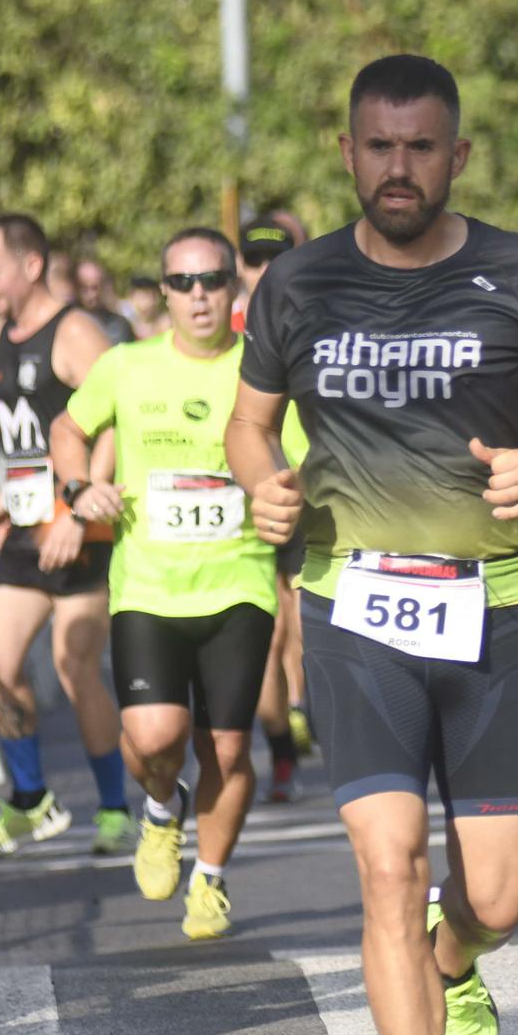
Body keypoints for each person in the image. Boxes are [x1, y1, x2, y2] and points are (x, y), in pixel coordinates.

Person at [226, 55, 518, 1035]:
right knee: (388, 863)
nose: (397, 167)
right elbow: (248, 420)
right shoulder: (297, 282)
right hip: (352, 608)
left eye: (419, 147)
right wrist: (259, 481)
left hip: (497, 607)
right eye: (378, 145)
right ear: (348, 151)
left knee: (494, 897)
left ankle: (455, 963)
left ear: (455, 155)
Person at [50, 228, 276, 940]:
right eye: (183, 283)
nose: (199, 295)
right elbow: (67, 425)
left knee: (231, 750)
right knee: (154, 736)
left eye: (212, 279)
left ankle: (209, 877)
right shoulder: (126, 365)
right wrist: (79, 486)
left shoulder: (263, 368)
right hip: (148, 583)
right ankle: (159, 805)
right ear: (165, 291)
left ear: (233, 287)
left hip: (239, 579)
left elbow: (297, 458)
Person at [0, 214, 133, 858]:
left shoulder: (74, 331)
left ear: (30, 265)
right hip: (25, 525)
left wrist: (78, 512)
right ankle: (31, 798)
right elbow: (26, 436)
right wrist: (5, 499)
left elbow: (116, 420)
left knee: (76, 671)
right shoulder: (3, 332)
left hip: (77, 531)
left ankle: (116, 807)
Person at [232, 214, 312, 797]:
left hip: (311, 494)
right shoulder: (225, 329)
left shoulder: (319, 311)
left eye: (274, 259)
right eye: (254, 261)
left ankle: (301, 708)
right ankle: (281, 740)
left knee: (299, 624)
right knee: (271, 631)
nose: (264, 272)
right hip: (248, 497)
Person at [74, 258, 136, 346]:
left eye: (95, 288)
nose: (91, 294)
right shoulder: (67, 326)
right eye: (84, 288)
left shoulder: (120, 326)